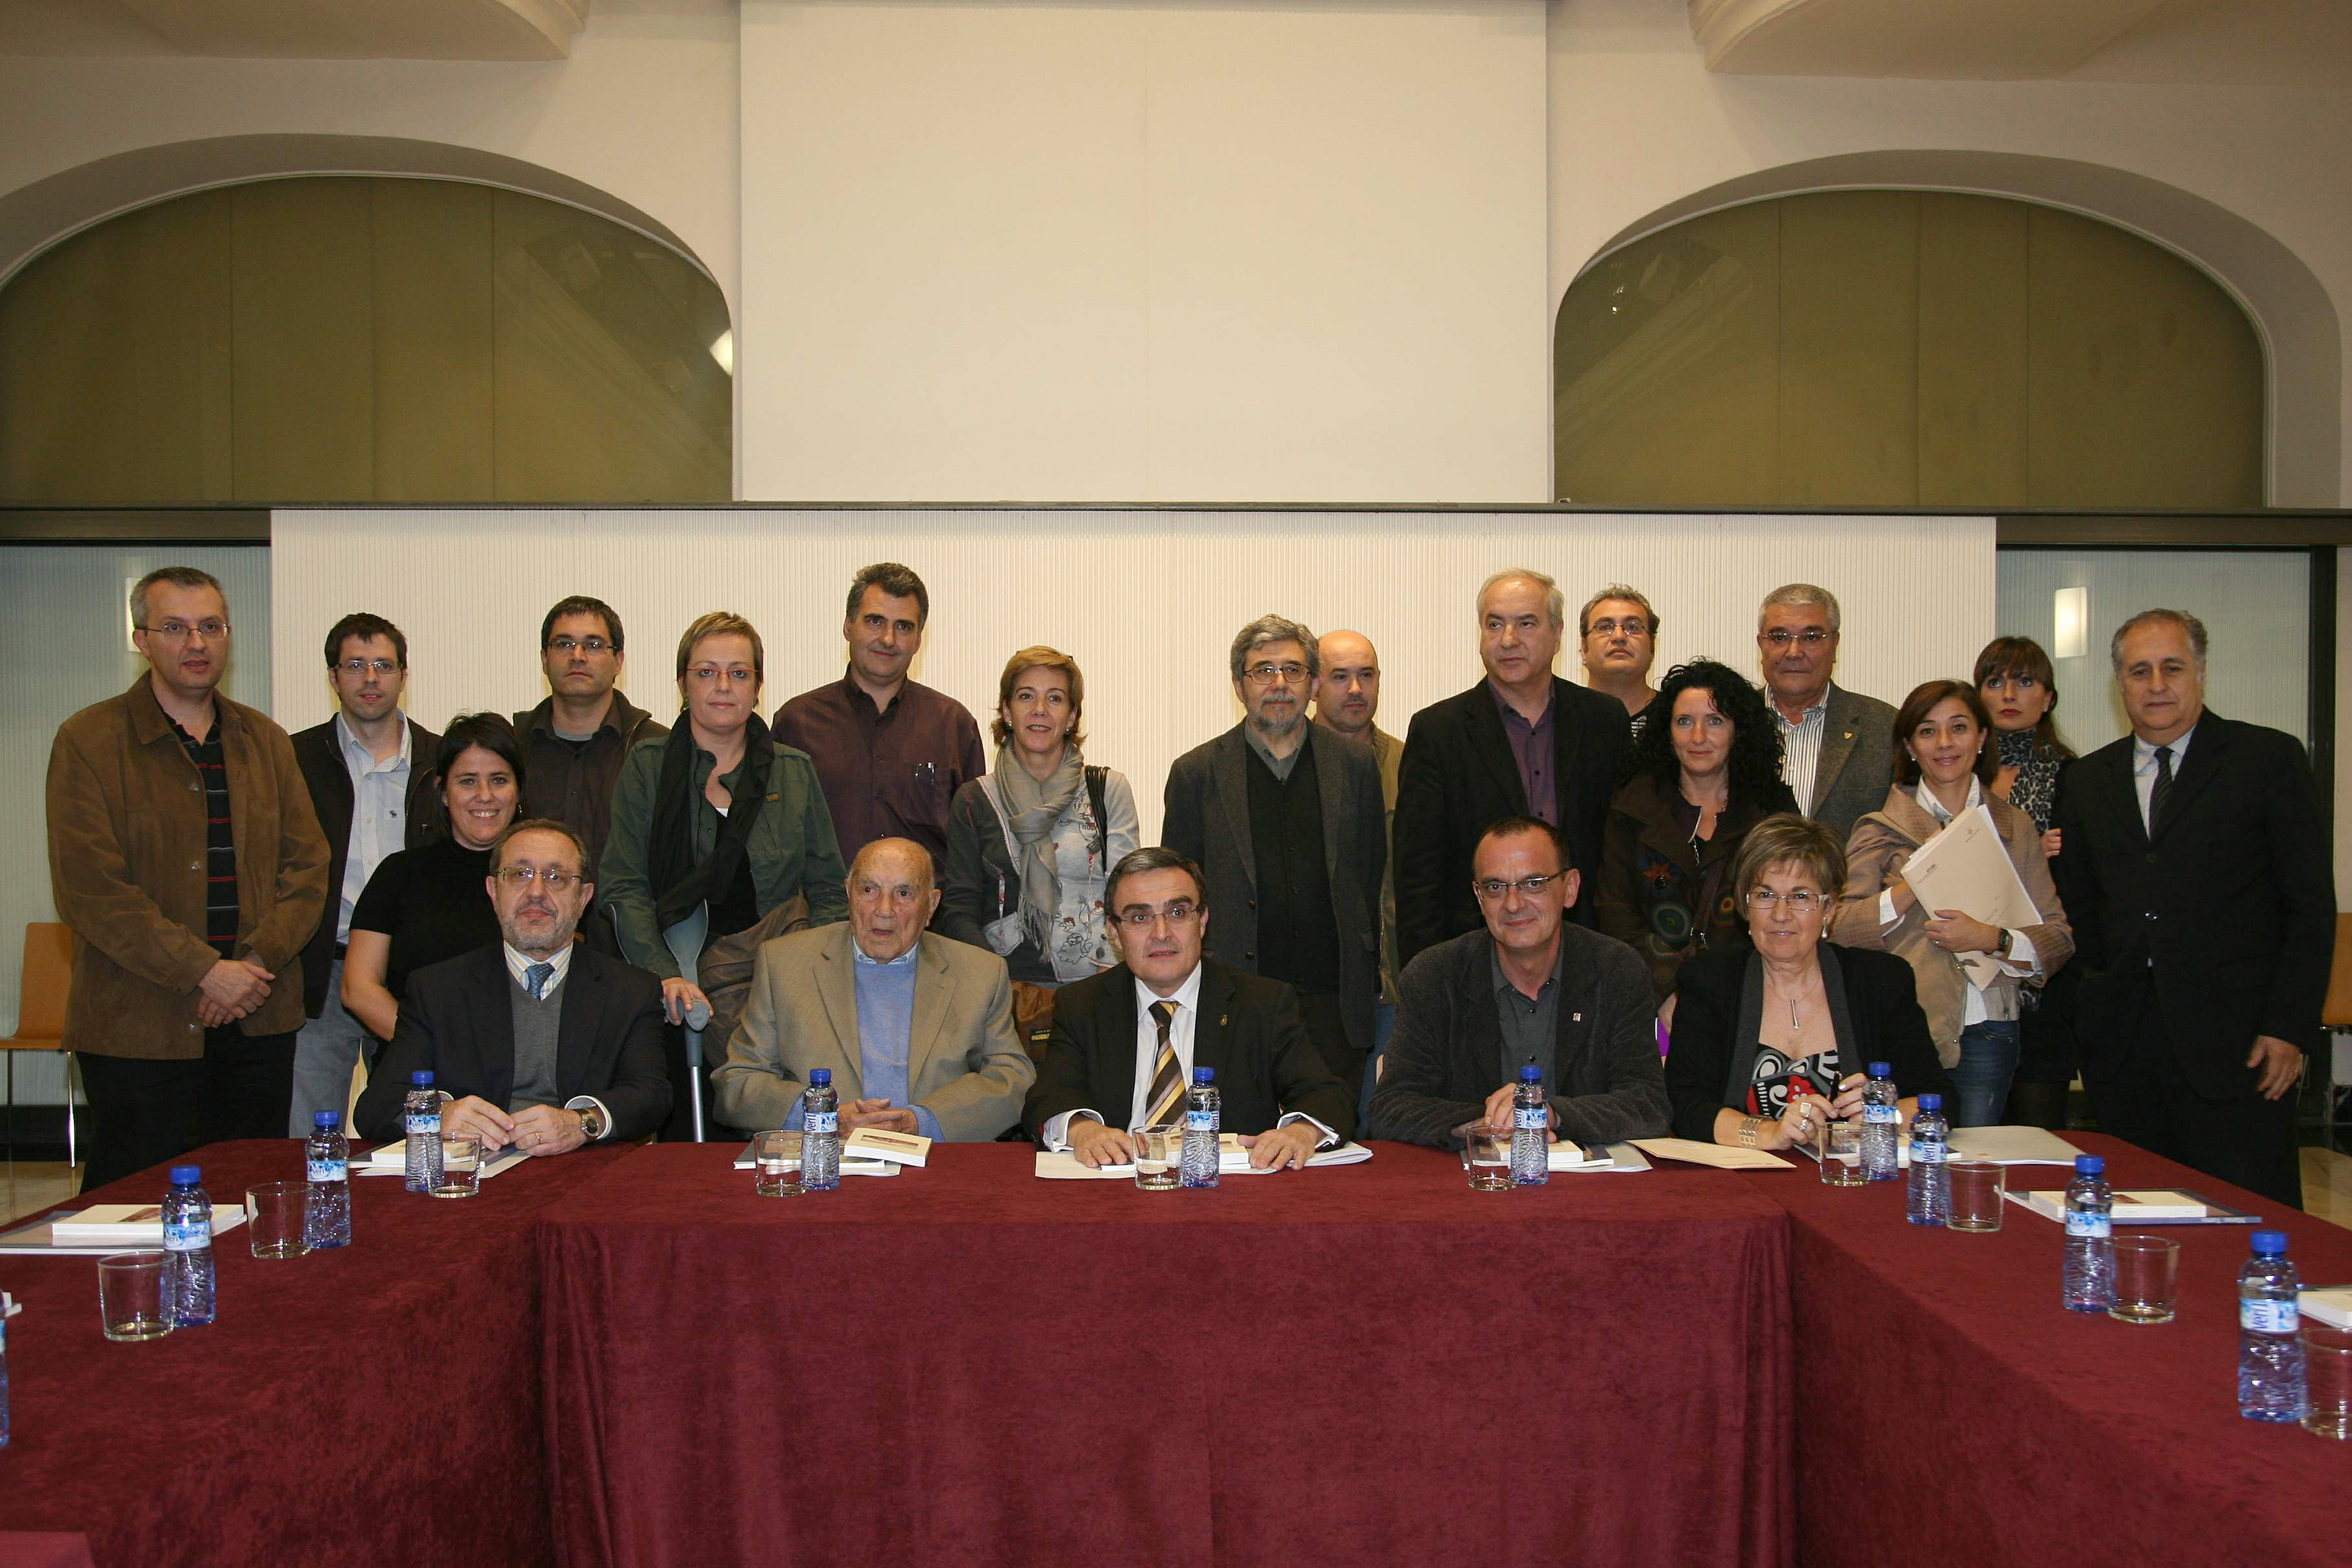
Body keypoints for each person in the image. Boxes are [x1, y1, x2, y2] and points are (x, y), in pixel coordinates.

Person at [46, 567, 330, 1189]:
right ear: (142, 640)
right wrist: (205, 970)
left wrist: (253, 964)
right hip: (138, 1024)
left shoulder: (267, 741)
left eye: (211, 627)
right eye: (174, 627)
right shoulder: (89, 740)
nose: (196, 643)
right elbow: (91, 889)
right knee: (133, 1203)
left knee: (250, 1199)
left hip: (258, 1015)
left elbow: (308, 866)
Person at [2052, 610, 2332, 1210]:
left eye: (2172, 668)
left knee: (2247, 1219)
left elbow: (2308, 907)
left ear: (2201, 672)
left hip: (2242, 1046)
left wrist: (2289, 1027)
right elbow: (2078, 908)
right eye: (2140, 671)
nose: (2156, 685)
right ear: (2119, 683)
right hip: (2125, 1048)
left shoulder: (2267, 760)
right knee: (2140, 1219)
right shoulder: (2087, 780)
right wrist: (2089, 1009)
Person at [603, 611, 851, 1138]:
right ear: (682, 683)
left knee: (784, 1135)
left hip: (777, 983)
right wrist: (663, 972)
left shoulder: (793, 770)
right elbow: (623, 885)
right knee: (688, 1154)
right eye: (706, 672)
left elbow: (829, 890)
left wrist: (809, 975)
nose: (723, 686)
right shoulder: (647, 765)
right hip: (677, 980)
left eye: (739, 673)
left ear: (758, 687)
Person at [1829, 681, 2073, 1129]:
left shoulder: (2015, 827)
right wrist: (1912, 885)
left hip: (1988, 1027)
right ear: (1910, 746)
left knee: (1972, 1157)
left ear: (1982, 737)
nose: (1944, 743)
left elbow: (2057, 939)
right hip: (1901, 1029)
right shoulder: (1879, 827)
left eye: (1958, 728)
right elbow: (1839, 928)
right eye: (1927, 731)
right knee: (1895, 1156)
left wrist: (1991, 938)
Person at [1163, 614, 1387, 1094]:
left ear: (1313, 684)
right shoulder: (1197, 773)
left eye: (1293, 670)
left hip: (1334, 1003)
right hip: (1234, 1000)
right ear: (1238, 686)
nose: (1279, 683)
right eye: (1263, 671)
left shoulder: (1355, 766)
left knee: (1331, 1129)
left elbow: (1368, 877)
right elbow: (1179, 900)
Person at [353, 819, 670, 1152]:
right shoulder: (436, 989)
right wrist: (439, 1115)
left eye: (556, 877)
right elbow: (377, 1105)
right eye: (520, 874)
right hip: (471, 1172)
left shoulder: (630, 990)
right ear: (493, 892)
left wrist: (582, 1122)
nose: (536, 892)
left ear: (584, 898)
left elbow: (651, 1096)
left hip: (586, 1168)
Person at [1024, 847, 1354, 1167]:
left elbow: (1326, 1095)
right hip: (1119, 1183)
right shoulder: (1082, 1005)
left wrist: (1301, 1132)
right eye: (1140, 917)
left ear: (1203, 920)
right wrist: (1082, 1130)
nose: (1161, 933)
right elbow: (1049, 1097)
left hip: (1232, 1187)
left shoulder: (1263, 1003)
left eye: (1178, 913)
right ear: (1114, 932)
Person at [1367, 817, 1669, 1150]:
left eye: (1533, 883)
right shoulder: (1434, 977)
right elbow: (1390, 1108)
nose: (1513, 904)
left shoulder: (1616, 971)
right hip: (1471, 1177)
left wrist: (1551, 1115)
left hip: (1591, 1177)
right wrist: (1486, 1125)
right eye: (1495, 888)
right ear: (1479, 897)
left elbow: (1648, 1104)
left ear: (1570, 888)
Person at [712, 838, 1035, 1139]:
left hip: (934, 1160)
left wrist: (921, 1123)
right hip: (822, 1159)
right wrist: (824, 1116)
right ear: (848, 894)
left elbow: (1013, 1080)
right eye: (869, 890)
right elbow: (737, 1083)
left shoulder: (980, 973)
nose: (884, 910)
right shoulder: (784, 964)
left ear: (931, 906)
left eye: (904, 893)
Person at [1665, 814, 1951, 1151]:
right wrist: (1769, 1133)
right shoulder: (1708, 980)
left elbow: (1940, 1099)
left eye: (1801, 897)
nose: (1781, 914)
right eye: (1765, 895)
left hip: (1852, 1175)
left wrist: (1885, 1116)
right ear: (1746, 906)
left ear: (1829, 909)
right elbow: (1685, 1107)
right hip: (1744, 1176)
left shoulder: (1881, 981)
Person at [1394, 568, 1632, 965]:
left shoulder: (1604, 721)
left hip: (1588, 953)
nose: (1508, 640)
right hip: (1474, 957)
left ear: (1557, 635)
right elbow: (1418, 874)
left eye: (1526, 623)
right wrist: (1425, 975)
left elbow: (1622, 852)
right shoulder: (1438, 731)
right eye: (1494, 625)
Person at [289, 612, 443, 1133]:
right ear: (333, 677)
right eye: (355, 665)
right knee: (310, 1131)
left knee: (416, 1127)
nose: (371, 678)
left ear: (404, 675)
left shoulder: (441, 760)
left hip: (411, 975)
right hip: (321, 971)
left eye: (384, 665)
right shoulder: (294, 760)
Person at [937, 647, 1139, 1028]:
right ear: (1007, 711)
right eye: (1026, 696)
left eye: (1056, 698)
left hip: (1099, 989)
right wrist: (995, 985)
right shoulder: (975, 799)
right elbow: (960, 908)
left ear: (1073, 716)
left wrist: (1111, 976)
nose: (1040, 710)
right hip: (1007, 998)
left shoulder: (1108, 789)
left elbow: (1129, 893)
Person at [1596, 659, 1796, 1005]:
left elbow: (1789, 908)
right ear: (1667, 731)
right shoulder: (1632, 808)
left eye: (1715, 721)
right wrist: (1672, 991)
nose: (1698, 737)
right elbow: (1616, 914)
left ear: (1738, 731)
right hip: (1650, 998)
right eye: (1684, 722)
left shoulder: (1772, 811)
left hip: (1752, 995)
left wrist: (1723, 993)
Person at [774, 562, 987, 869]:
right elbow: (776, 839)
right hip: (828, 900)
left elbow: (973, 848)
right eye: (875, 621)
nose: (888, 639)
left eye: (904, 627)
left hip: (931, 901)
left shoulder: (954, 725)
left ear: (919, 640)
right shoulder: (796, 724)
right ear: (848, 625)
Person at [339, 713, 523, 1046]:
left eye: (499, 780)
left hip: (523, 1064)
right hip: (419, 1062)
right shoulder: (399, 875)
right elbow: (358, 989)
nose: (485, 795)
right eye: (467, 781)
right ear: (443, 792)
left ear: (518, 790)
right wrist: (434, 1048)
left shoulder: (547, 878)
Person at [1976, 634, 2077, 1129]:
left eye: (2025, 682)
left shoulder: (2076, 778)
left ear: (2049, 697)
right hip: (1970, 975)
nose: (2010, 695)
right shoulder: (1957, 775)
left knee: (2040, 1134)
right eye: (1995, 683)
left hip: (2045, 984)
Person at [1312, 627, 1402, 1112]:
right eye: (1339, 676)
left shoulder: (1410, 764)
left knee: (1381, 1118)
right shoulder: (1289, 768)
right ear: (1313, 685)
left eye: (1366, 675)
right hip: (1316, 986)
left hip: (1393, 982)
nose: (1355, 689)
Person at [513, 595, 667, 873]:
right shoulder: (514, 746)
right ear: (545, 660)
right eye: (564, 644)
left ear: (618, 661)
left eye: (594, 645)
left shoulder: (655, 749)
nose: (577, 656)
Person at [1754, 583, 1897, 843]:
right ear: (1761, 645)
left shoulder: (1886, 728)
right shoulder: (1727, 724)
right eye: (1779, 638)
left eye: (1811, 638)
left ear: (1835, 645)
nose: (1794, 652)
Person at [1578, 584, 1661, 723]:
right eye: (1605, 627)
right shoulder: (1558, 718)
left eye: (1633, 627)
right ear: (1584, 648)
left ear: (1652, 647)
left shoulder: (1677, 716)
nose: (1619, 637)